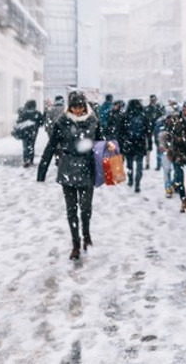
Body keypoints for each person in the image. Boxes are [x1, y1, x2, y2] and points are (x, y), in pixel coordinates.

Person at [37, 91, 110, 260]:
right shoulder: (62, 122)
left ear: (85, 106)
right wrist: (42, 171)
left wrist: (108, 150)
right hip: (68, 169)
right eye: (74, 107)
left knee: (86, 209)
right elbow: (51, 146)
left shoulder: (93, 121)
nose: (77, 111)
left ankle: (86, 235)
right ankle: (75, 243)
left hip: (87, 169)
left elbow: (100, 142)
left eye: (80, 107)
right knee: (71, 210)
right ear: (69, 107)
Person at [118, 99, 151, 193]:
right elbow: (148, 132)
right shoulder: (143, 116)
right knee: (139, 163)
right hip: (140, 143)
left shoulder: (125, 116)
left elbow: (120, 133)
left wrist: (121, 145)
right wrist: (148, 145)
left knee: (129, 164)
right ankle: (137, 183)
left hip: (129, 143)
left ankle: (130, 179)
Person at [155, 101, 180, 198]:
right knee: (167, 170)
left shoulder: (177, 123)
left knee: (176, 170)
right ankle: (168, 188)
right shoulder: (161, 123)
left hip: (174, 149)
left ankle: (173, 185)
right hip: (165, 150)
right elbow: (157, 136)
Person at [15, 99, 44, 167]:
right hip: (33, 131)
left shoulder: (23, 113)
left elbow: (18, 122)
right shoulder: (37, 113)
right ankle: (30, 160)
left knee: (25, 145)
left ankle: (26, 159)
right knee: (32, 145)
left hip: (24, 131)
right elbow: (41, 122)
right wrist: (36, 125)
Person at [144, 95, 164, 170]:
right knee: (149, 148)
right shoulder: (157, 108)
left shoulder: (155, 108)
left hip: (153, 129)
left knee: (155, 147)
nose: (153, 101)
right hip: (152, 130)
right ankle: (150, 163)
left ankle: (157, 164)